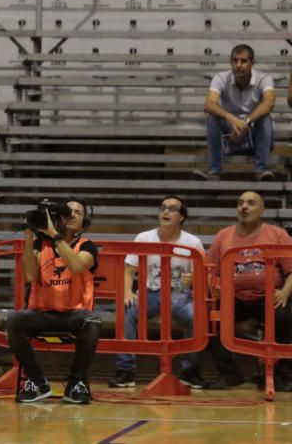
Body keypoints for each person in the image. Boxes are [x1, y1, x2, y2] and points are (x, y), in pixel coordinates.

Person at [3, 200, 101, 404]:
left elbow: (76, 266)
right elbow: (29, 276)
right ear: (59, 217)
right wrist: (30, 236)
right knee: (13, 319)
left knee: (92, 321)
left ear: (85, 220)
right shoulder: (42, 246)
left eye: (78, 212)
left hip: (74, 315)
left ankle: (75, 383)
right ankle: (37, 381)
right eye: (68, 211)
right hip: (43, 314)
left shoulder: (87, 246)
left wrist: (53, 234)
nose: (72, 215)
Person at [110, 197, 206, 389]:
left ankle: (189, 372)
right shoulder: (144, 237)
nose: (166, 212)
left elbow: (203, 277)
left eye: (172, 209)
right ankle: (125, 371)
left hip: (179, 292)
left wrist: (195, 280)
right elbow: (128, 270)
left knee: (197, 317)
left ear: (182, 217)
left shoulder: (193, 242)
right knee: (127, 311)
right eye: (163, 208)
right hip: (150, 292)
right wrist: (127, 292)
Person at [206, 191, 292, 391]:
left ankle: (279, 374)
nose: (244, 207)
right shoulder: (223, 236)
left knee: (283, 315)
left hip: (270, 296)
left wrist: (285, 292)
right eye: (241, 203)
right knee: (210, 318)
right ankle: (229, 375)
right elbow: (212, 272)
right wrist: (216, 287)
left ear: (262, 210)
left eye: (251, 203)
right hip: (234, 297)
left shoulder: (277, 234)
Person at [195, 44, 275, 182]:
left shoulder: (264, 78)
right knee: (212, 118)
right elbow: (209, 104)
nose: (238, 65)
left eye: (243, 61)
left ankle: (261, 170)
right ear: (230, 62)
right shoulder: (221, 78)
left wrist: (246, 123)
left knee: (265, 118)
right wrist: (231, 119)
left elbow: (269, 103)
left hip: (254, 134)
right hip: (230, 134)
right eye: (235, 60)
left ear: (252, 63)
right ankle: (214, 171)